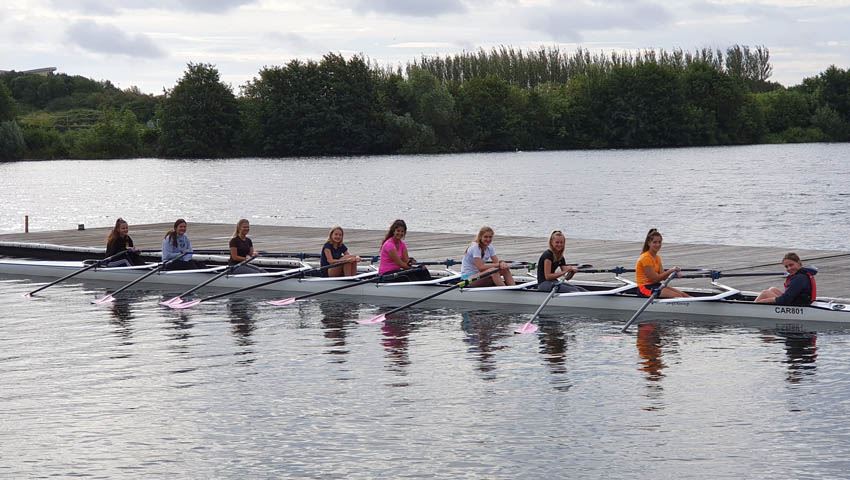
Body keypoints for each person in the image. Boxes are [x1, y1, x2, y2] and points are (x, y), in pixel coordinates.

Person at [635, 228, 689, 298]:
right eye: (654, 242)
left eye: (659, 242)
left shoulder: (657, 257)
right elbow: (655, 279)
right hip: (644, 288)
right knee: (678, 296)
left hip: (655, 285)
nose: (657, 245)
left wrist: (675, 273)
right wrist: (671, 270)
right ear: (649, 243)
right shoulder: (645, 258)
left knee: (684, 295)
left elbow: (663, 277)